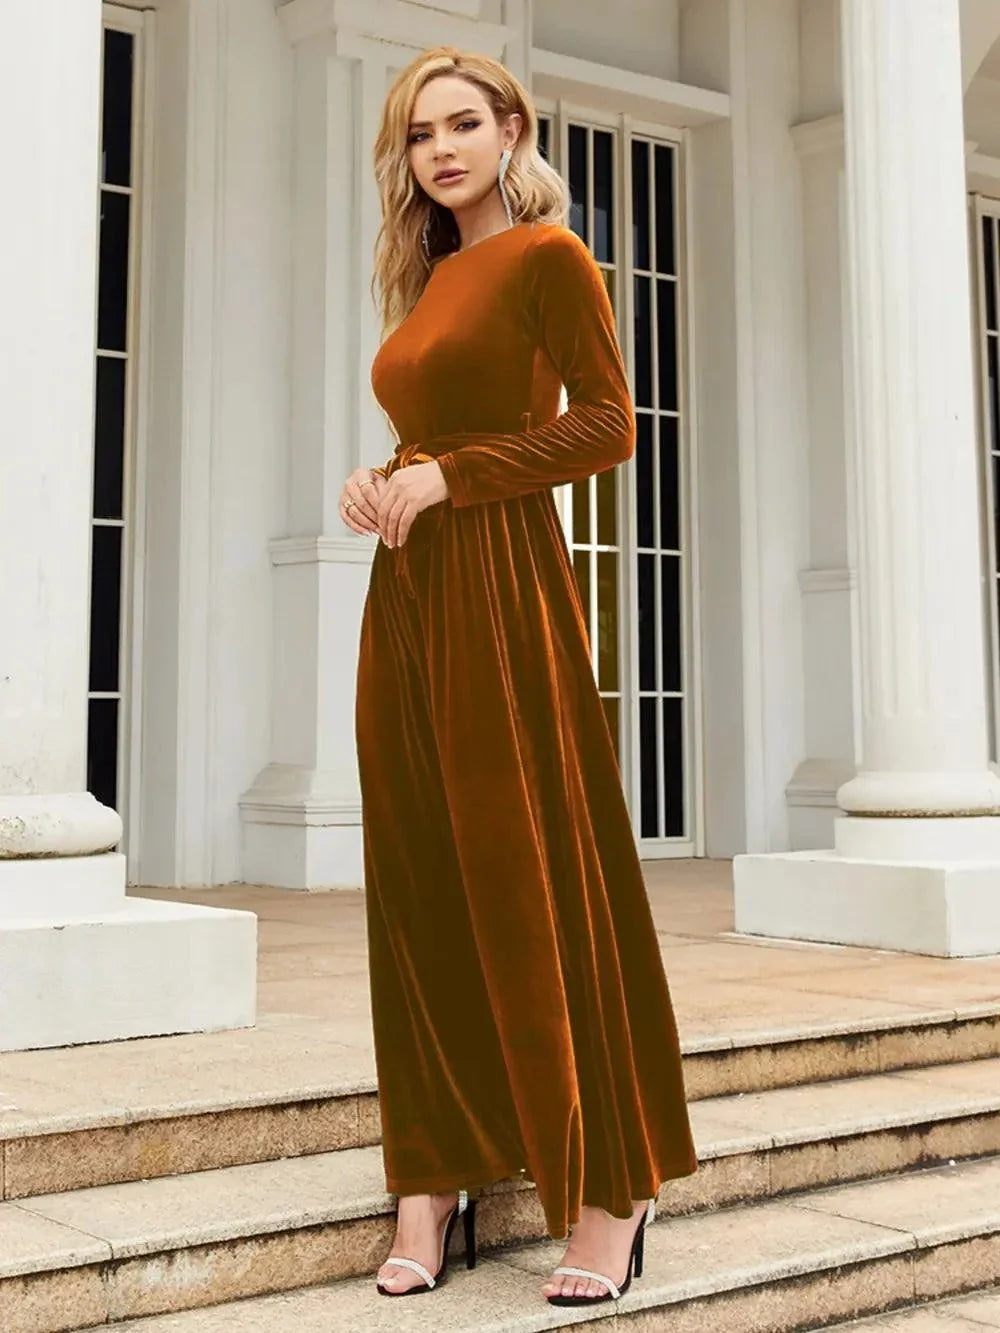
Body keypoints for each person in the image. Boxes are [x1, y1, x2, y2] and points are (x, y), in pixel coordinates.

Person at [341, 44, 698, 1307]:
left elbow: (607, 424)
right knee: (420, 884)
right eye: (419, 132)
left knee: (529, 871)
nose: (439, 147)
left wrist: (453, 476)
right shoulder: (431, 276)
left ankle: (610, 1185)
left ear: (510, 130)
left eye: (461, 123)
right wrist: (388, 477)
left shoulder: (552, 257)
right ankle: (430, 1180)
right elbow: (433, 432)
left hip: (504, 592)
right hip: (413, 595)